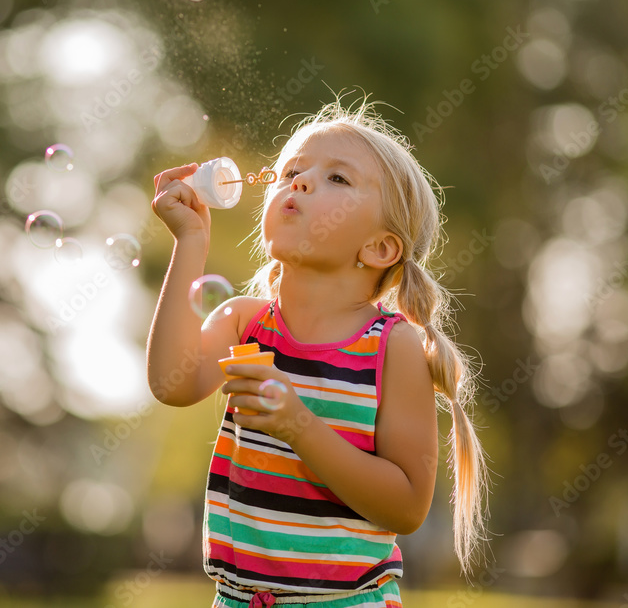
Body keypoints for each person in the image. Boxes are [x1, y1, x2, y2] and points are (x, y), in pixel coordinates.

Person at [147, 98, 488, 608]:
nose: (299, 182)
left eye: (338, 179)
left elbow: (408, 506)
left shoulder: (392, 346)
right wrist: (190, 238)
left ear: (379, 249)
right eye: (292, 171)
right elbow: (171, 384)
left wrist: (297, 424)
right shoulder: (245, 322)